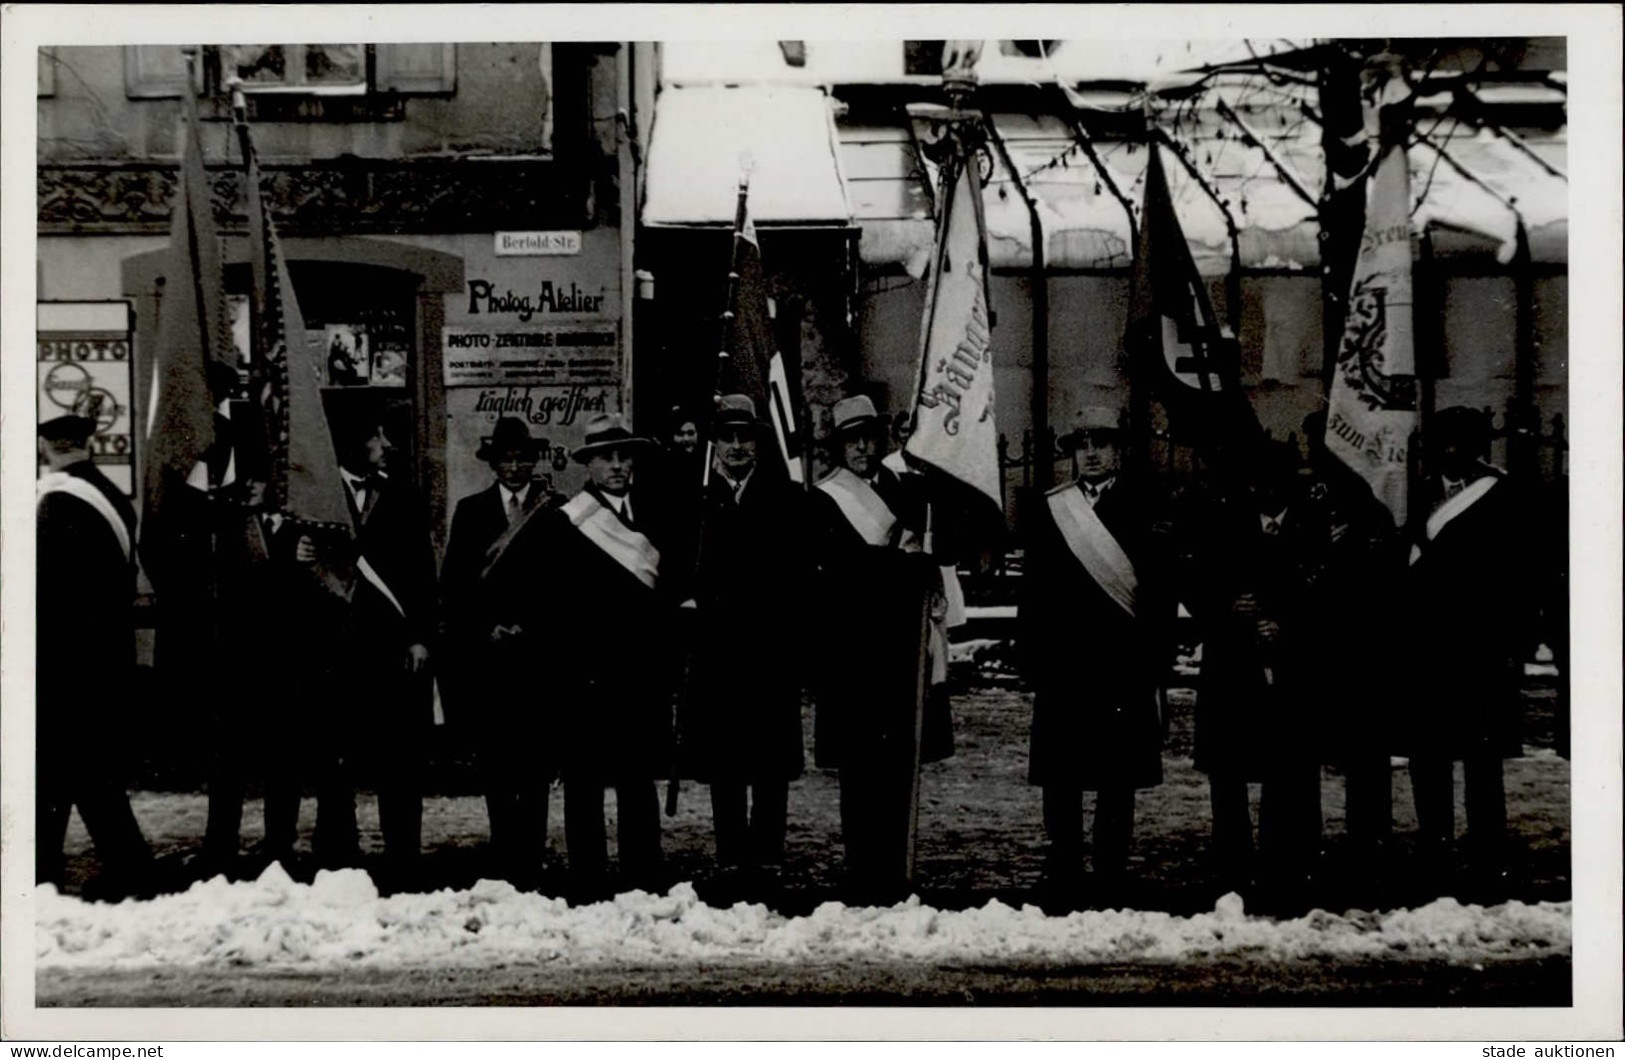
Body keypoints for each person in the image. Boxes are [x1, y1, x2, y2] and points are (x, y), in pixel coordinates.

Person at [1019, 407, 1173, 906]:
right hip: (1066, 661)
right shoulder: (1050, 508)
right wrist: (1033, 654)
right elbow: (1035, 590)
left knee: (1116, 772)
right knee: (1062, 771)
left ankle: (1111, 865)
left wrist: (1155, 656)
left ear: (1119, 451)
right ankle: (1064, 859)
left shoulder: (1146, 504)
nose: (1090, 453)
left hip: (1121, 661)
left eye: (1101, 444)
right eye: (1082, 444)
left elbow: (1158, 591)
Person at [522, 413, 674, 894]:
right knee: (584, 782)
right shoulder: (566, 523)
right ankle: (587, 879)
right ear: (588, 465)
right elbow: (551, 606)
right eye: (606, 457)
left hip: (639, 672)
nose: (617, 466)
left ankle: (642, 877)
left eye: (624, 456)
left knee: (636, 780)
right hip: (585, 675)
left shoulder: (655, 515)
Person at [809, 395, 952, 903]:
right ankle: (863, 868)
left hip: (901, 649)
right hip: (854, 651)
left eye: (869, 437)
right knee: (859, 770)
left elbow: (934, 551)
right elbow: (846, 572)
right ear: (839, 447)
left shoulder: (908, 489)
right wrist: (904, 567)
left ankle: (897, 866)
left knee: (898, 764)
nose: (863, 448)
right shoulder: (823, 500)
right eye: (852, 440)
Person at [1189, 439, 1334, 911]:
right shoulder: (1223, 520)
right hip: (1231, 665)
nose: (1264, 492)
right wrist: (1225, 607)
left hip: (1296, 667)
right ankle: (1231, 863)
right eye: (1256, 483)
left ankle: (1288, 863)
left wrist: (1288, 624)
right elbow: (1194, 579)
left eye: (1274, 483)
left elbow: (1333, 590)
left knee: (1289, 766)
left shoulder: (1313, 525)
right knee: (1228, 767)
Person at [680, 395, 811, 895]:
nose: (736, 447)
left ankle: (769, 853)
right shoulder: (695, 499)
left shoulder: (787, 497)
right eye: (728, 438)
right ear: (715, 443)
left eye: (745, 438)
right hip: (716, 649)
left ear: (758, 443)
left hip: (768, 647)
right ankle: (731, 852)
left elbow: (798, 577)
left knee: (770, 757)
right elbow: (677, 569)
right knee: (726, 757)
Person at [1403, 406, 1534, 894]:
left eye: (1461, 444)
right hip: (1427, 647)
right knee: (1428, 754)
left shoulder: (1505, 495)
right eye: (1443, 444)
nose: (1451, 453)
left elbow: (1520, 576)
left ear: (1480, 448)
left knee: (1481, 759)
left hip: (1479, 647)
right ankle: (1434, 848)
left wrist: (1512, 644)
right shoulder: (1419, 493)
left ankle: (1487, 853)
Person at [36, 412, 155, 895]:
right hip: (103, 657)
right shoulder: (109, 497)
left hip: (64, 663)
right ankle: (46, 868)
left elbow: (46, 595)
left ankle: (127, 872)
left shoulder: (57, 504)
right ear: (86, 445)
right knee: (72, 773)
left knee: (74, 772)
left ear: (47, 449)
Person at [441, 417, 564, 879]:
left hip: (536, 656)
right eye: (506, 459)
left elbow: (563, 585)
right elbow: (454, 585)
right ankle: (505, 845)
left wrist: (532, 627)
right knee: (496, 759)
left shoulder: (554, 510)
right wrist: (486, 628)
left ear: (534, 461)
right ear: (493, 464)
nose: (515, 467)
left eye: (522, 458)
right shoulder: (471, 511)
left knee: (535, 759)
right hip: (490, 657)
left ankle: (531, 851)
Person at [316, 418, 438, 874]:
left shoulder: (402, 494)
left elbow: (422, 572)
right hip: (338, 649)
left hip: (393, 646)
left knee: (401, 756)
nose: (385, 444)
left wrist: (422, 636)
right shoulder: (318, 497)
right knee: (337, 755)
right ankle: (336, 855)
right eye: (375, 435)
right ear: (350, 442)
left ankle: (403, 854)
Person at [1299, 409, 1402, 864]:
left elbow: (1384, 563)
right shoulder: (1305, 495)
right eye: (1314, 445)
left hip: (1360, 640)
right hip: (1313, 638)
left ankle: (1369, 837)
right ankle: (1306, 839)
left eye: (1324, 443)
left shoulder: (1369, 496)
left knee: (1365, 749)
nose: (1318, 453)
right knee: (1306, 749)